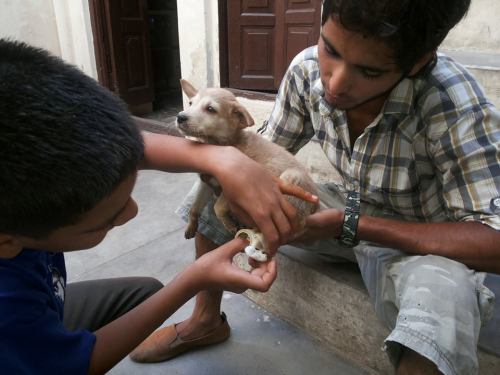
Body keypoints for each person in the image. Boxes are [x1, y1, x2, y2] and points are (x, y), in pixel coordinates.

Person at [132, 0, 500, 374]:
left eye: (369, 71)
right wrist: (226, 170)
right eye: (331, 49)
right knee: (223, 181)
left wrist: (352, 224)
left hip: (423, 241)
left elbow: (493, 238)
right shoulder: (307, 69)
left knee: (442, 307)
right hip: (351, 205)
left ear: (418, 62)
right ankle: (206, 321)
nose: (335, 83)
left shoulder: (453, 103)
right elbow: (260, 151)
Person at [0, 38, 317, 374]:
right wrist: (192, 279)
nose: (133, 212)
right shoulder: (9, 309)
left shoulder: (19, 197)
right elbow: (77, 365)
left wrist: (225, 160)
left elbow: (139, 146)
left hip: (50, 298)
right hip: (33, 343)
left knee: (146, 293)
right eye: (105, 221)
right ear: (6, 241)